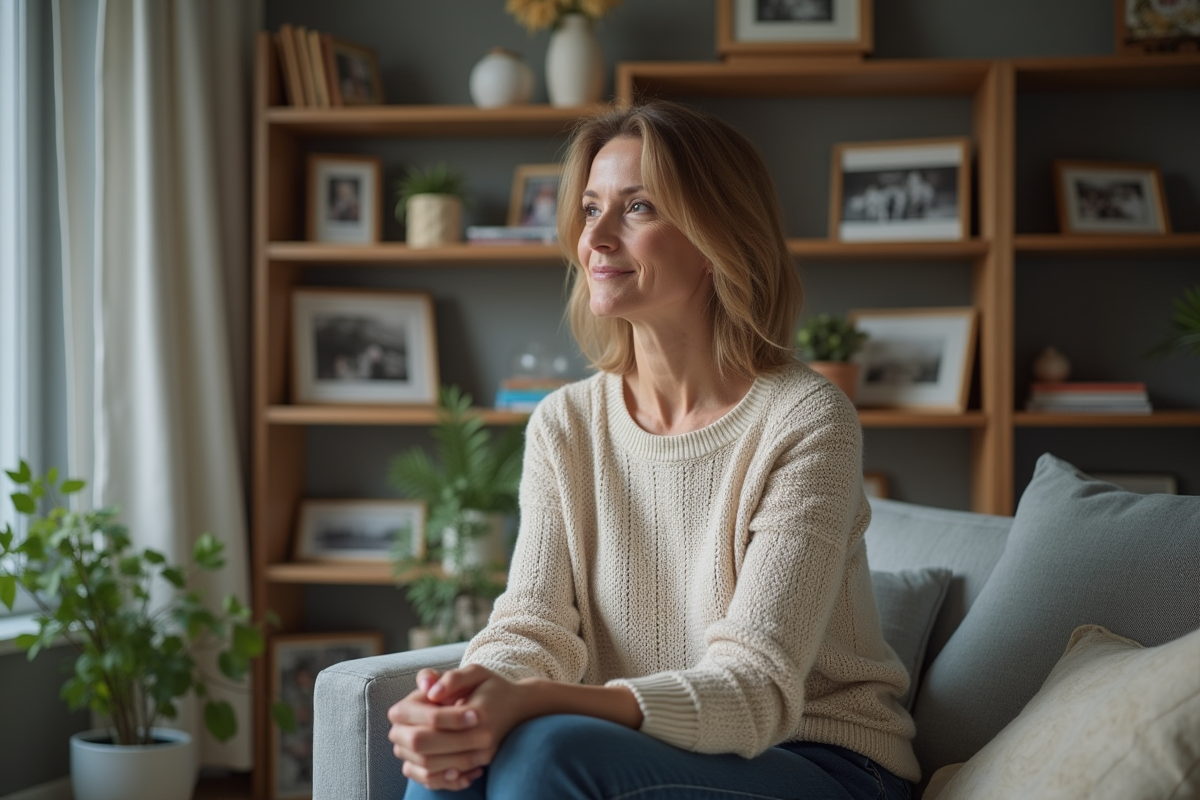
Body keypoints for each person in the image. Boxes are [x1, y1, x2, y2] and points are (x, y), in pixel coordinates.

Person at [387, 100, 919, 799]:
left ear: (716, 237)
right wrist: (471, 694)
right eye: (590, 208)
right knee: (465, 755)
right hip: (649, 748)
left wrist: (539, 702)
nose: (597, 237)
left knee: (545, 752)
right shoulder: (564, 423)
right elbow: (533, 626)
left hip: (823, 761)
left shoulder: (806, 419)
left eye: (638, 208)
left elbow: (755, 689)